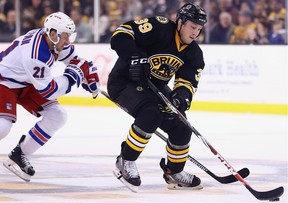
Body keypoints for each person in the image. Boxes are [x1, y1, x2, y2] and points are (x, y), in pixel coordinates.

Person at [107, 2, 207, 192]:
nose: (195, 33)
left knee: (182, 124)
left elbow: (187, 84)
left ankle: (174, 172)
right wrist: (134, 56)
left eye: (199, 29)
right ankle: (125, 161)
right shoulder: (160, 27)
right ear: (180, 22)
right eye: (192, 27)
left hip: (154, 87)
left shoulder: (194, 53)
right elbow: (122, 33)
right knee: (150, 113)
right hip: (124, 82)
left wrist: (179, 98)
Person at [0, 11, 100, 182]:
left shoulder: (53, 41)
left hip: (26, 83)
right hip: (4, 82)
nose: (68, 41)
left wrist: (86, 72)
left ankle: (20, 154)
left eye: (70, 36)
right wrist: (73, 76)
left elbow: (75, 59)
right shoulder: (35, 54)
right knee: (3, 126)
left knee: (57, 115)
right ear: (53, 34)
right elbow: (49, 90)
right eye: (65, 37)